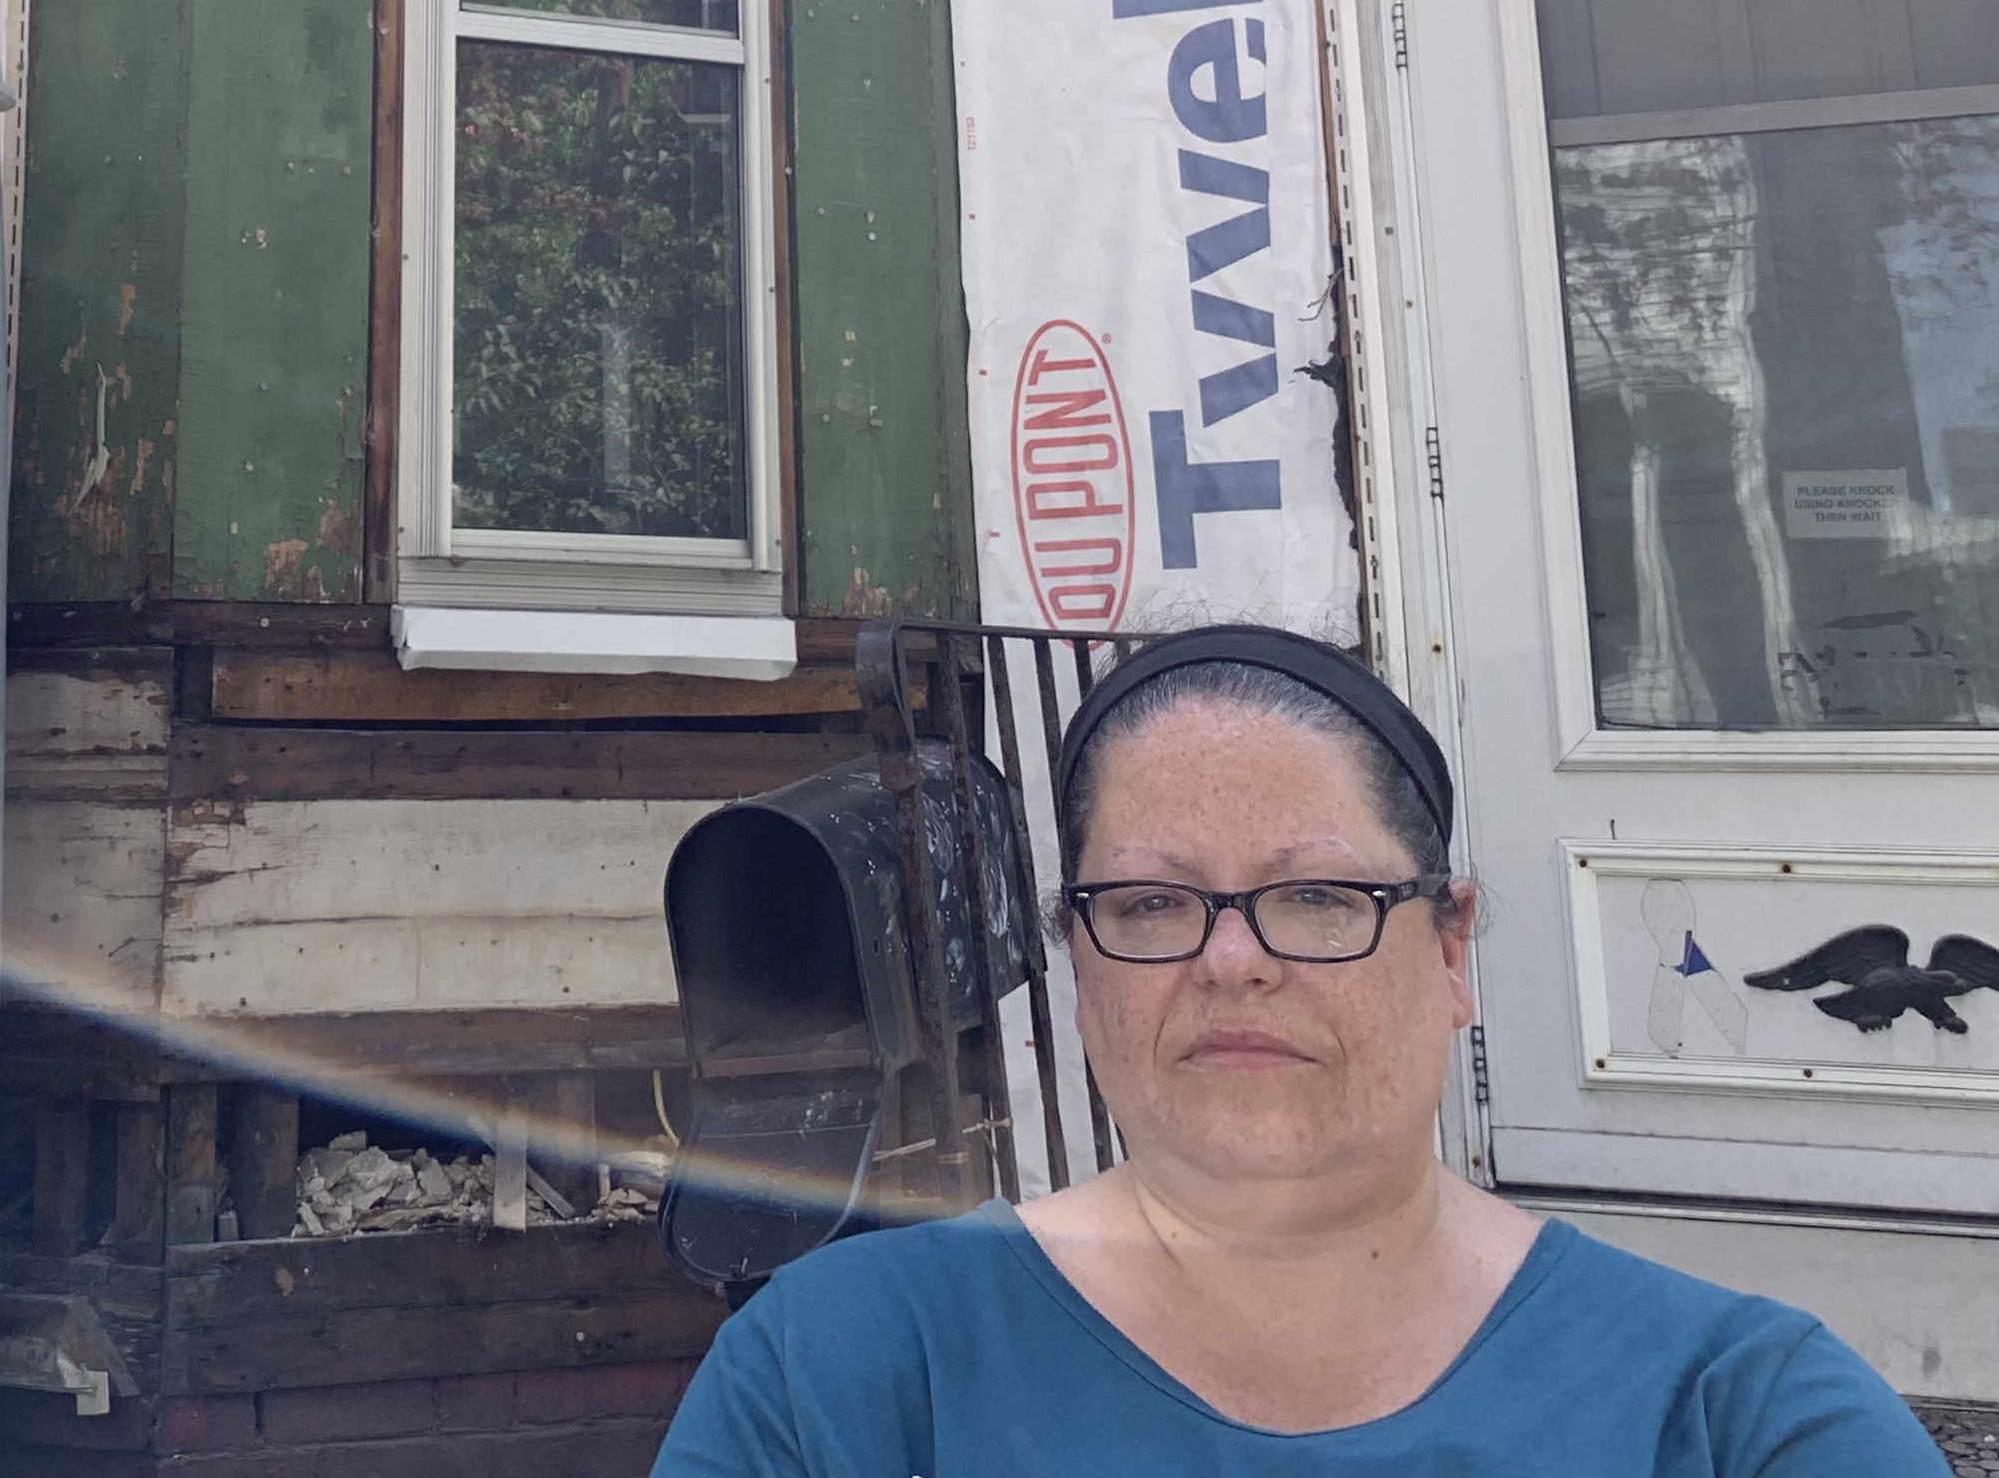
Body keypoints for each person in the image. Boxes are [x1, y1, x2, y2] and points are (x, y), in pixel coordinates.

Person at [653, 624, 1942, 1475]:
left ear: (1451, 950)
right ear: (1081, 961)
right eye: (1153, 904)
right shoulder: (841, 1384)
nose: (1231, 960)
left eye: (1320, 896)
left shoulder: (1742, 1415)